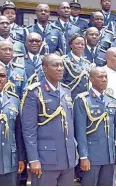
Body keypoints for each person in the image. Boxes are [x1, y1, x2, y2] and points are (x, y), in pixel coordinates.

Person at [21, 54, 76, 186]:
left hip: (68, 157)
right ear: (45, 68)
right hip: (46, 159)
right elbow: (29, 130)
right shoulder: (34, 92)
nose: (60, 68)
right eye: (55, 65)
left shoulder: (66, 91)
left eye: (61, 65)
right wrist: (33, 159)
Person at [74, 67, 116, 186]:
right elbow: (80, 131)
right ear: (91, 79)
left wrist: (115, 153)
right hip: (91, 155)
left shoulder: (111, 100)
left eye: (105, 77)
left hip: (108, 155)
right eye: (100, 77)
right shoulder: (83, 99)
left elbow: (113, 129)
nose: (104, 80)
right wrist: (83, 156)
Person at [62, 34, 93, 99]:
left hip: (84, 98)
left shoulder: (86, 62)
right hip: (70, 97)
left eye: (82, 44)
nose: (80, 46)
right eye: (77, 44)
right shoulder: (64, 61)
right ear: (71, 45)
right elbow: (61, 82)